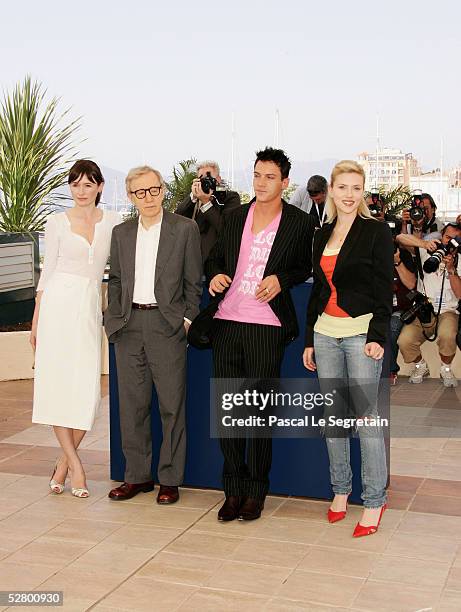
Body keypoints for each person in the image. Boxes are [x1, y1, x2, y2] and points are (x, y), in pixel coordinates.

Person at [206, 147, 315, 522]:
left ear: (285, 182)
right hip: (227, 322)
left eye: (270, 177)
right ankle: (232, 489)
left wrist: (281, 279)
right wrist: (216, 275)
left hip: (267, 327)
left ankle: (256, 492)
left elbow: (305, 267)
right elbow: (215, 260)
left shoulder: (300, 223)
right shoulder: (234, 217)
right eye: (257, 175)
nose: (262, 183)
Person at [303, 159, 393, 537]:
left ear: (363, 192)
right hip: (325, 333)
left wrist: (376, 336)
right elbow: (319, 290)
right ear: (332, 190)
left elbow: (382, 289)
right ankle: (340, 490)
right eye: (343, 187)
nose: (349, 195)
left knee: (366, 421)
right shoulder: (321, 234)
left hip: (360, 335)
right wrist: (310, 337)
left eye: (357, 188)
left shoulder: (375, 232)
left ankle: (373, 500)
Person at [105, 165, 202, 504]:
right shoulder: (121, 233)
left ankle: (170, 479)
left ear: (163, 190)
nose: (149, 197)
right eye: (140, 192)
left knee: (172, 406)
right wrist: (113, 318)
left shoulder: (185, 229)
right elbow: (115, 279)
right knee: (131, 406)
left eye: (154, 190)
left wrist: (186, 321)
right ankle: (136, 477)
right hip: (129, 325)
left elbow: (194, 283)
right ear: (131, 196)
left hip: (167, 326)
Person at [31, 160, 122, 498]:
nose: (81, 191)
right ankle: (75, 466)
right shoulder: (56, 222)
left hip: (87, 307)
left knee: (85, 393)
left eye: (88, 184)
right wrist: (37, 318)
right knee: (57, 387)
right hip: (56, 305)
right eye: (75, 184)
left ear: (100, 187)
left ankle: (63, 465)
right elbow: (47, 271)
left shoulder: (113, 222)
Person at [396, 222, 461, 386]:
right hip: (424, 307)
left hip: (448, 311)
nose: (449, 243)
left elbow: (460, 295)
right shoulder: (426, 250)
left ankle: (445, 368)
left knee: (447, 336)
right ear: (441, 235)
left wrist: (452, 269)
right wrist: (424, 243)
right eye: (447, 237)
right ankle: (420, 365)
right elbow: (400, 237)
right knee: (404, 341)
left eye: (455, 240)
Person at [175, 160, 241, 263]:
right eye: (202, 179)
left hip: (214, 263)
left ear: (218, 179)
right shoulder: (195, 198)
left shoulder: (230, 197)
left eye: (209, 178)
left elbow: (226, 229)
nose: (206, 182)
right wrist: (193, 196)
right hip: (190, 262)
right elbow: (177, 218)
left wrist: (206, 203)